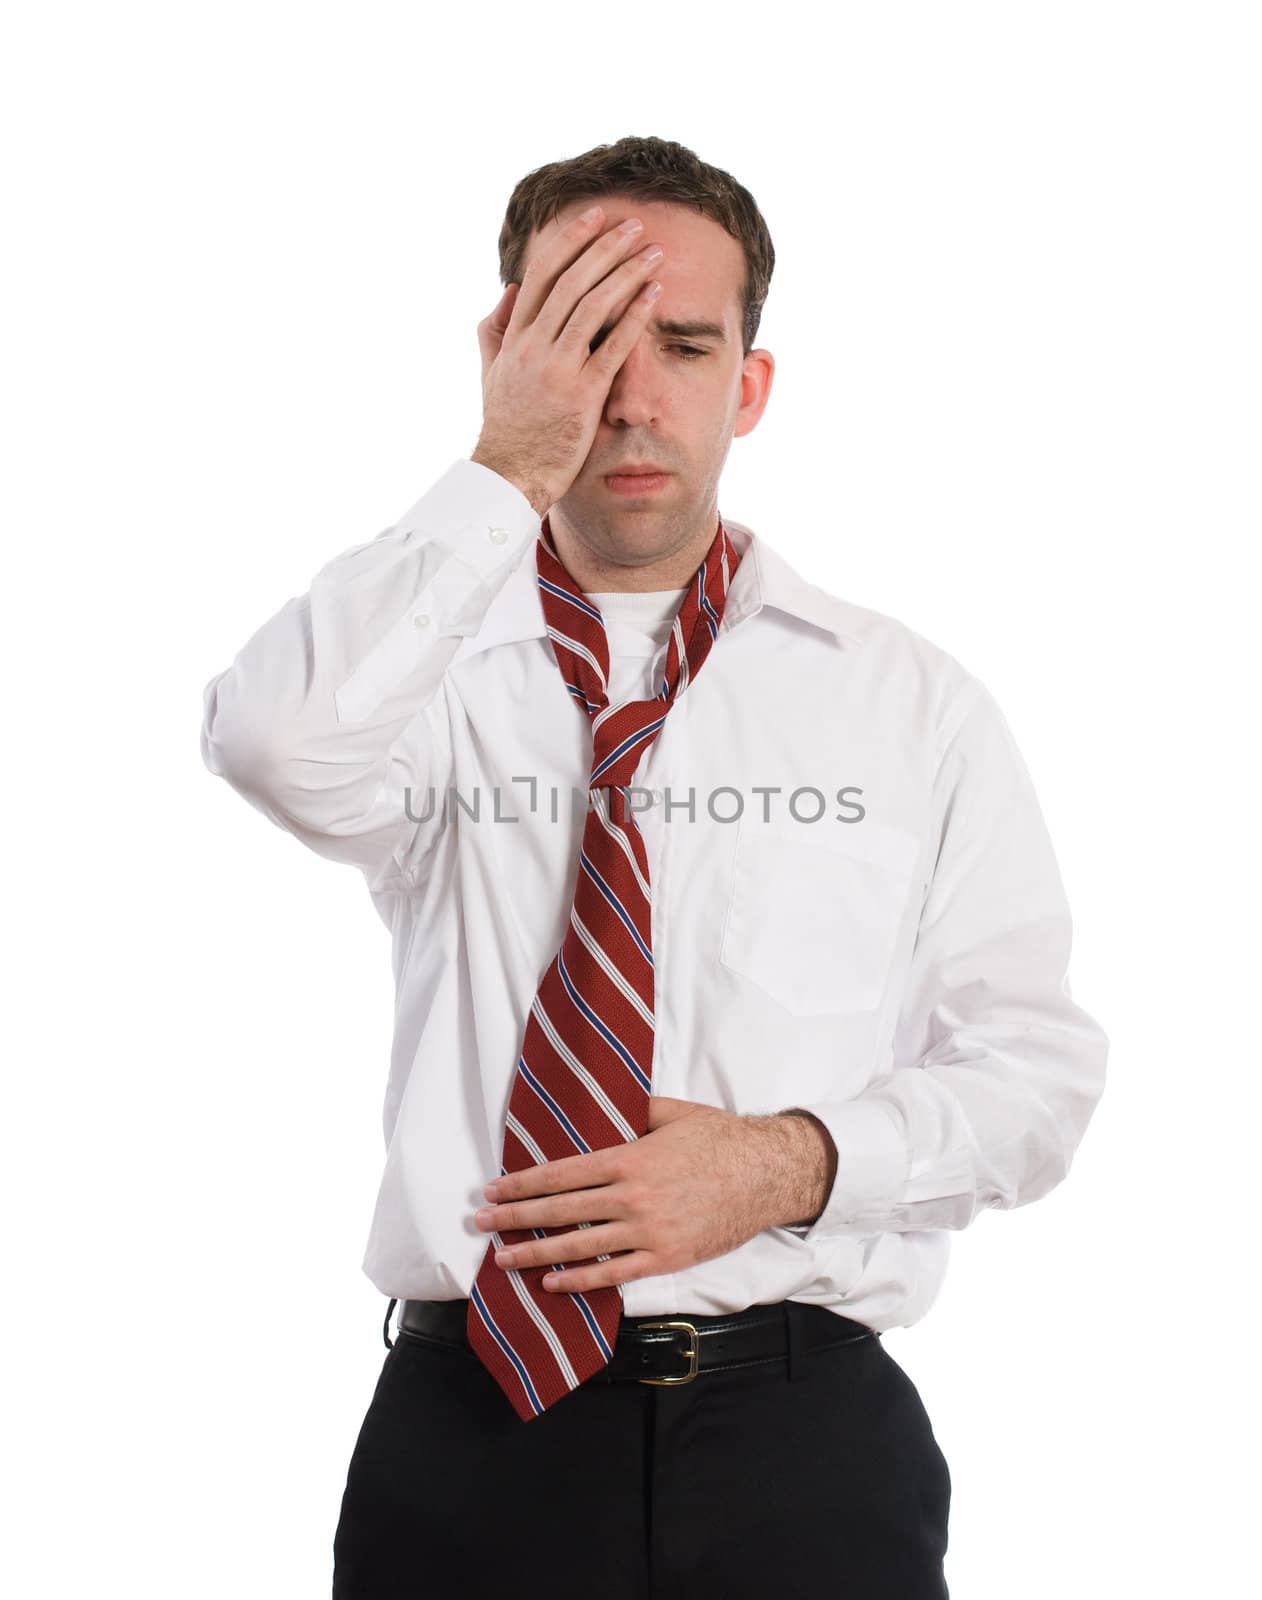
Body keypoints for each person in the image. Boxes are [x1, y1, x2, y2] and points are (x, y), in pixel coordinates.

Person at [200, 134, 1108, 1599]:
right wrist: (503, 466)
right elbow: (264, 745)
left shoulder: (909, 703)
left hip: (804, 1446)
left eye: (682, 343)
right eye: (584, 338)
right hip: (469, 1443)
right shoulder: (418, 670)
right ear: (509, 354)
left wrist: (784, 1164)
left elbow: (1035, 1076)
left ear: (747, 384)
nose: (631, 395)